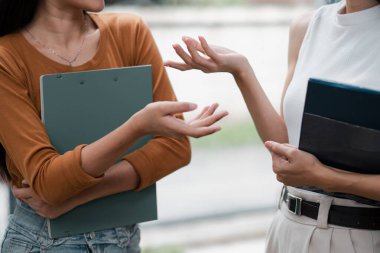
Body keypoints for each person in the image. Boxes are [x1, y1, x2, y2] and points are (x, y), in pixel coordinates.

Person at [0, 0, 228, 252]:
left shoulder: (130, 32)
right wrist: (136, 128)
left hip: (123, 238)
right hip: (43, 242)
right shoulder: (6, 57)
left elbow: (175, 149)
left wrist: (76, 197)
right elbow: (48, 182)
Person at [165, 0, 380, 252]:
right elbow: (286, 144)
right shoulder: (307, 26)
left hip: (361, 236)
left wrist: (328, 178)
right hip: (287, 228)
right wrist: (241, 70)